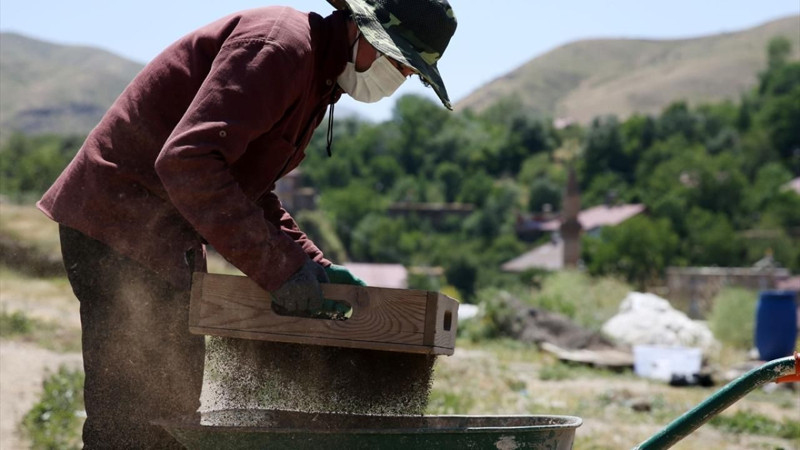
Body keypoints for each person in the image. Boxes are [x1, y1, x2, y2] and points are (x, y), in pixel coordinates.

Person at [37, 0, 457, 447]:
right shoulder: (278, 48)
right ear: (359, 29)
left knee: (170, 412)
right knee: (135, 420)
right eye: (397, 61)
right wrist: (279, 270)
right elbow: (189, 163)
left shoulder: (317, 76)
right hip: (119, 225)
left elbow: (247, 188)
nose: (400, 78)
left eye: (410, 72)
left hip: (160, 234)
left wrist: (309, 263)